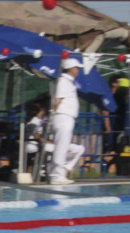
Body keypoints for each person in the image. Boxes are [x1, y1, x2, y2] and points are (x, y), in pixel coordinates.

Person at [26, 100, 82, 178]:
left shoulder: (47, 119)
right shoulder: (34, 121)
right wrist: (47, 141)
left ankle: (64, 169)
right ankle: (55, 171)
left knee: (79, 149)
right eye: (43, 110)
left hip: (48, 144)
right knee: (58, 149)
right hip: (35, 145)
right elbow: (36, 136)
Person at [49, 57, 82, 186]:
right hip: (63, 117)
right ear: (71, 69)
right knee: (61, 147)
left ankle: (60, 172)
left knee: (63, 147)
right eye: (77, 68)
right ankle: (56, 175)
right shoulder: (63, 81)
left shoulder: (68, 82)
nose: (78, 70)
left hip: (66, 117)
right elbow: (57, 100)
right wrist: (53, 113)